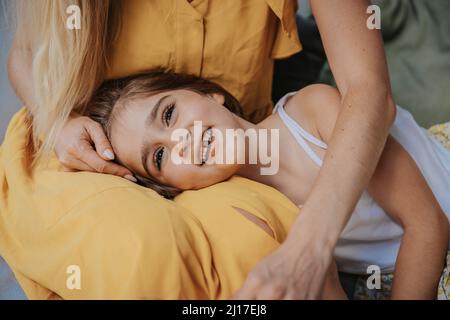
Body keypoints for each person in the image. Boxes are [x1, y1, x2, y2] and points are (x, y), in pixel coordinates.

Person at [8, 0, 397, 298]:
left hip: (222, 169)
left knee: (244, 245)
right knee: (140, 251)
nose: (180, 136)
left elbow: (368, 88)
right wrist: (55, 120)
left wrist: (309, 245)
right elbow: (24, 55)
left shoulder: (306, 118)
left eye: (171, 113)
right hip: (89, 151)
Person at [88, 70, 450, 299]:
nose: (180, 140)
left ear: (208, 92)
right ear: (174, 188)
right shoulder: (252, 217)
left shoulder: (313, 112)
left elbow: (428, 223)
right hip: (399, 274)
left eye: (169, 114)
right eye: (159, 158)